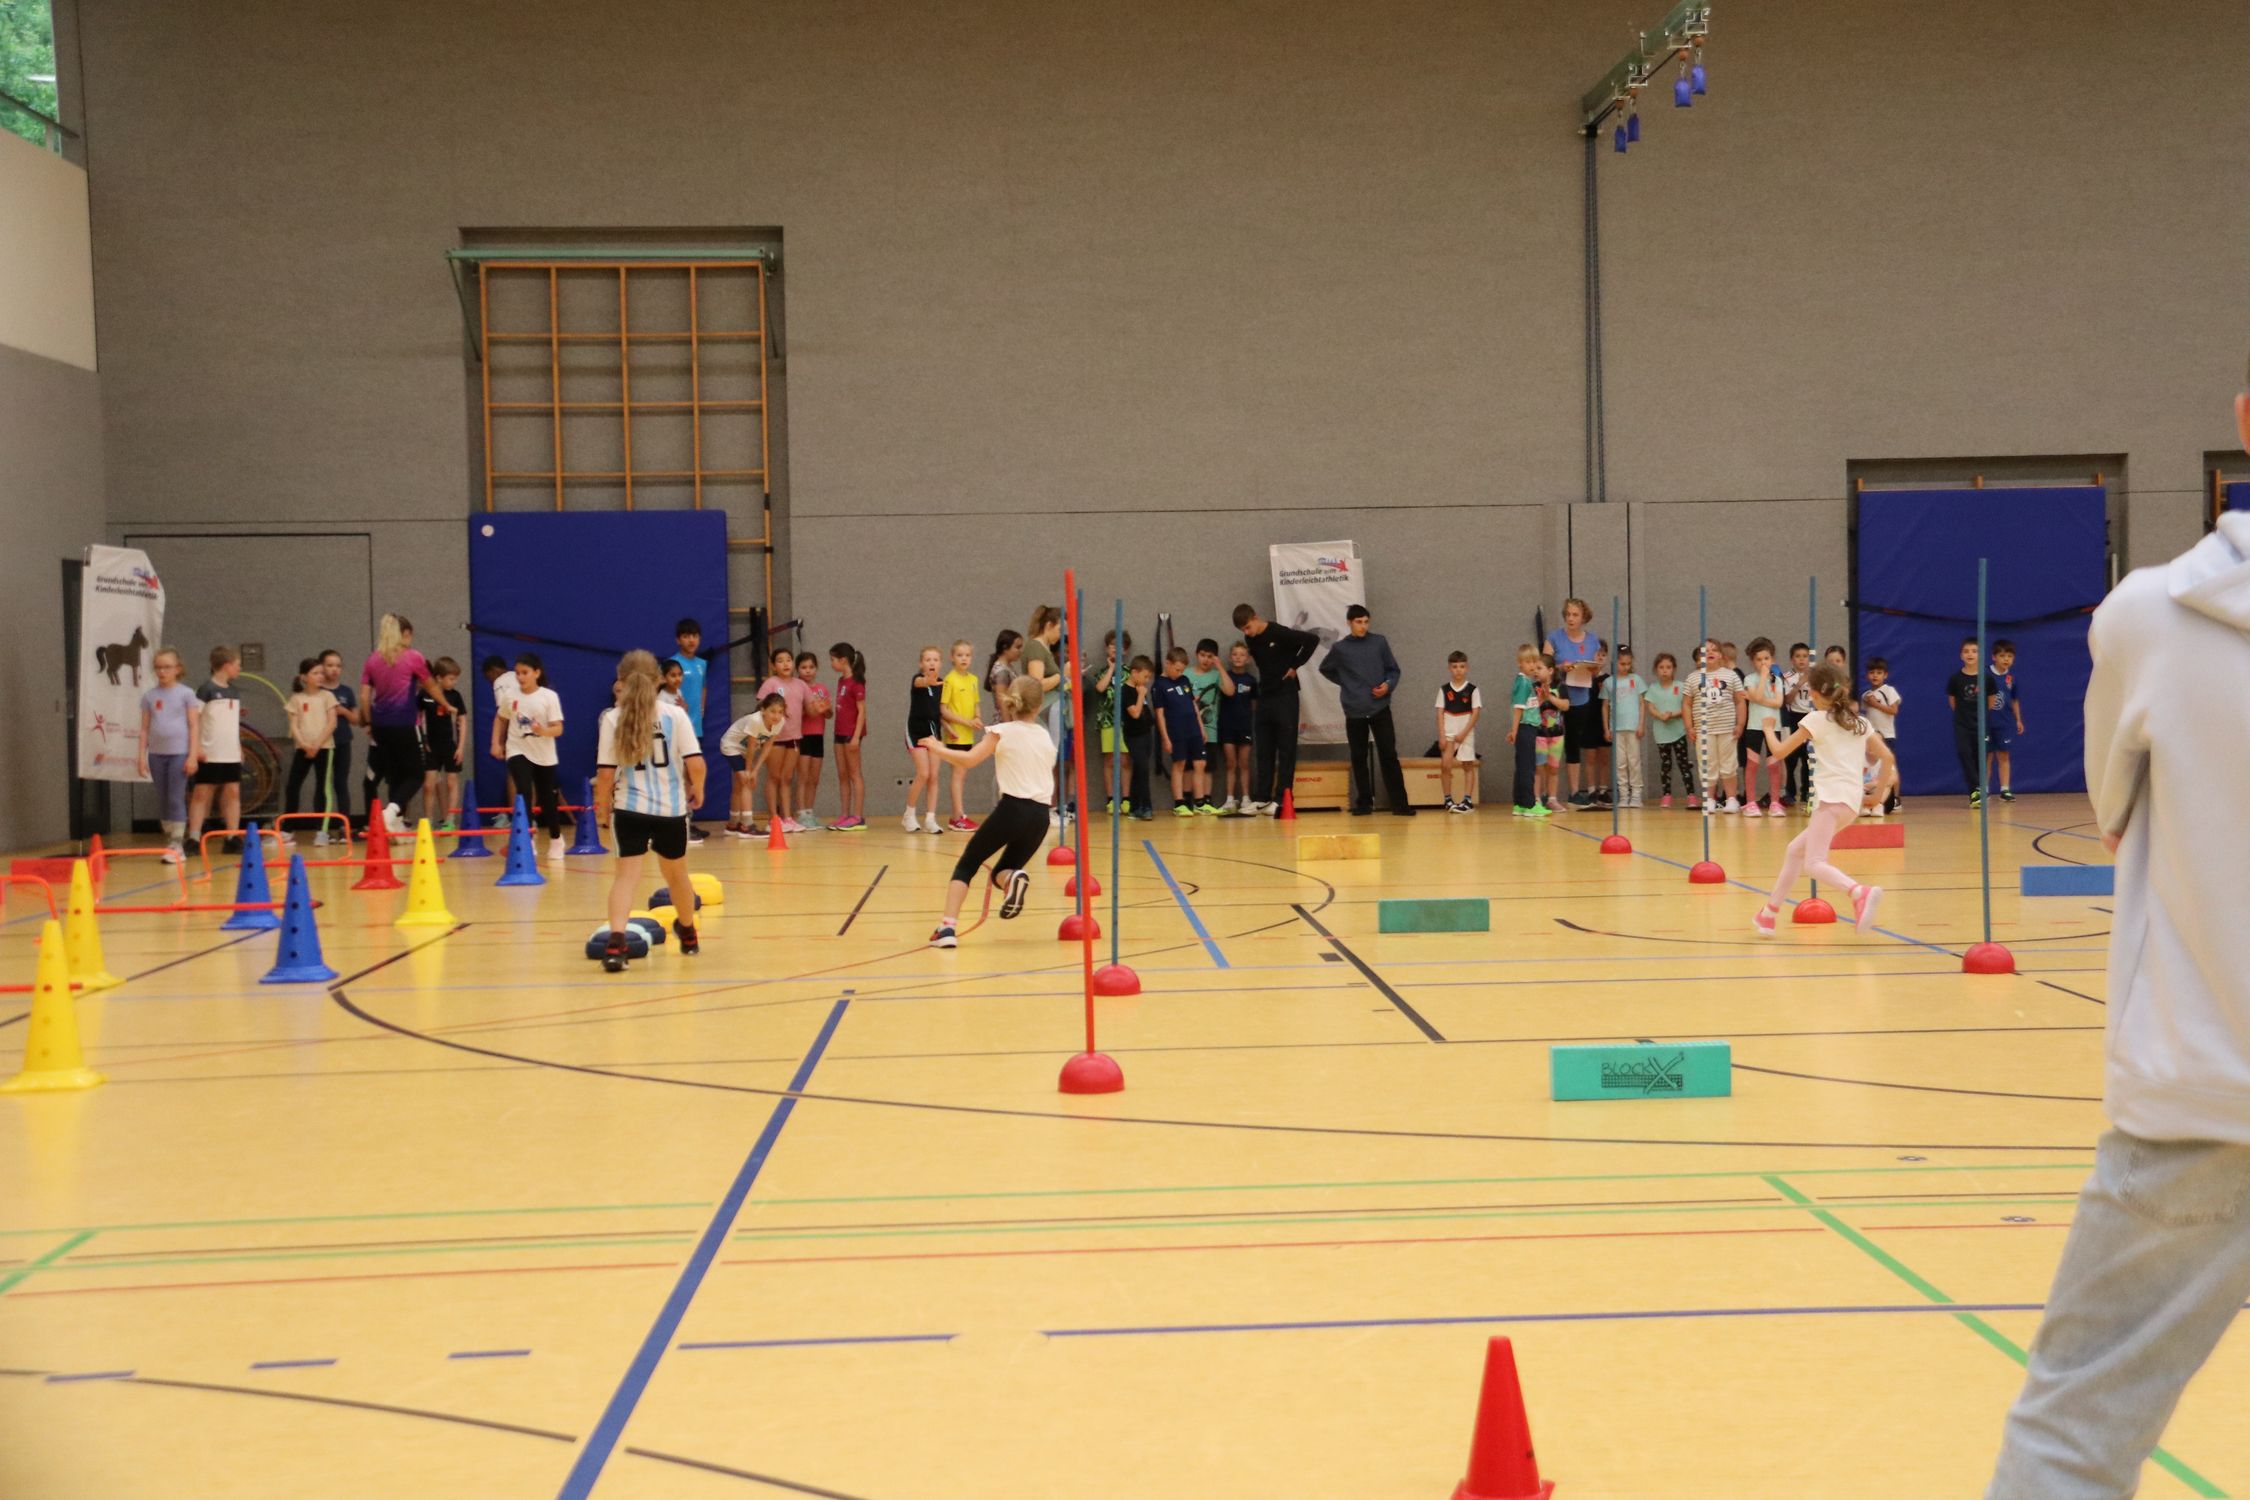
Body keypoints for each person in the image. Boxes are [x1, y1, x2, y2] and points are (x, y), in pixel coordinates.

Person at [1980, 448, 2250, 1497]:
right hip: (2195, 1100)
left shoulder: (2150, 615)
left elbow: (2111, 809)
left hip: (2201, 1090)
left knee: (2075, 1433)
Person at [1749, 662, 1895, 937]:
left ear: (1814, 694)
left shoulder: (1815, 719)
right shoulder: (1860, 722)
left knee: (1814, 862)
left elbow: (1779, 752)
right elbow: (1887, 757)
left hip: (1830, 801)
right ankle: (1769, 913)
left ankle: (1858, 892)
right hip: (1850, 803)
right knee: (1795, 850)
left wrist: (1767, 729)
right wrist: (1876, 796)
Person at [922, 675, 1056, 949]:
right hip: (1041, 816)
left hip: (1013, 809)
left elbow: (969, 759)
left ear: (1011, 701)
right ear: (1038, 705)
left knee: (967, 864)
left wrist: (938, 748)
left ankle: (947, 928)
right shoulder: (1045, 736)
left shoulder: (1001, 731)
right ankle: (1012, 878)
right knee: (1003, 871)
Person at [594, 650, 704, 973]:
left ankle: (616, 944)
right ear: (658, 680)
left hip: (629, 809)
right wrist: (698, 789)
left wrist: (602, 809)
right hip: (670, 810)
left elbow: (605, 774)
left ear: (621, 681)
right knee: (677, 876)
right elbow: (696, 762)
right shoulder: (675, 715)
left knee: (625, 878)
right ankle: (688, 934)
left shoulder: (613, 718)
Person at [1320, 603, 1414, 817]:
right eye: (1358, 622)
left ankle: (1400, 803)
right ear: (1349, 623)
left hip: (1380, 707)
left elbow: (1393, 670)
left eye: (1366, 622)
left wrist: (1388, 685)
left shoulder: (1379, 642)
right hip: (1355, 710)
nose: (1363, 626)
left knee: (1388, 754)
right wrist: (1347, 683)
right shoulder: (1340, 648)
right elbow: (1326, 669)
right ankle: (1364, 802)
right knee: (1359, 756)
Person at [359, 613, 446, 835]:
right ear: (405, 634)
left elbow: (364, 696)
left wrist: (368, 722)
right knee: (416, 774)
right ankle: (390, 812)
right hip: (404, 723)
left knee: (396, 774)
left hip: (380, 726)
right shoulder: (412, 657)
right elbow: (431, 686)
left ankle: (395, 822)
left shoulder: (373, 659)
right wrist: (448, 705)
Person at [1233, 603, 1320, 816]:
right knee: (1264, 748)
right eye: (1243, 630)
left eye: (1248, 627)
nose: (1247, 633)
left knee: (1286, 748)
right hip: (1266, 695)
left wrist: (1294, 665)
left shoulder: (1278, 632)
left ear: (1256, 617)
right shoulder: (1250, 639)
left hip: (1285, 694)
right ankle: (1262, 798)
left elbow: (1312, 640)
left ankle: (1282, 798)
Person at [492, 652, 566, 858]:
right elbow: (500, 719)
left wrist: (543, 731)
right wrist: (496, 743)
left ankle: (556, 838)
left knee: (547, 797)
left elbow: (558, 728)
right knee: (523, 789)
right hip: (517, 748)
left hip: (544, 753)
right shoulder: (510, 695)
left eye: (525, 673)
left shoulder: (549, 697)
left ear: (536, 673)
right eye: (517, 673)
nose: (520, 677)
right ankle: (528, 838)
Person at [137, 647, 199, 863]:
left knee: (175, 796)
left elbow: (194, 725)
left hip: (179, 753)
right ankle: (170, 839)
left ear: (177, 669)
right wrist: (141, 756)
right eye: (158, 668)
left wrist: (192, 755)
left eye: (167, 667)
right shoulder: (149, 696)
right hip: (156, 754)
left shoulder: (186, 694)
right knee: (163, 797)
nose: (162, 672)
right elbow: (144, 728)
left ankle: (177, 843)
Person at [1546, 598, 1609, 808]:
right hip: (1556, 697)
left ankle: (1574, 792)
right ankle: (1547, 794)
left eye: (1575, 615)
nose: (1570, 618)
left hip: (1580, 697)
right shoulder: (1554, 638)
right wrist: (1560, 667)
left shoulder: (1592, 641)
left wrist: (1594, 668)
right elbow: (1543, 665)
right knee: (1549, 743)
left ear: (1583, 618)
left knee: (1573, 744)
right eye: (1568, 614)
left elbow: (1597, 668)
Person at [189, 645, 245, 854]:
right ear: (227, 665)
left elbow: (233, 724)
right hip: (209, 752)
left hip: (230, 753)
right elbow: (194, 720)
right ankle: (194, 837)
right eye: (238, 665)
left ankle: (232, 837)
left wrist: (238, 747)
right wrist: (196, 747)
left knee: (233, 792)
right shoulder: (206, 690)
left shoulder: (235, 692)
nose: (239, 669)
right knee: (202, 793)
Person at [282, 657, 341, 844]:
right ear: (304, 677)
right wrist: (304, 744)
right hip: (303, 749)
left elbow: (332, 723)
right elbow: (294, 726)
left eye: (321, 673)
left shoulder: (327, 697)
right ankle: (287, 830)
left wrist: (316, 744)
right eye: (315, 673)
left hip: (324, 748)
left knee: (322, 788)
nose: (320, 676)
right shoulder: (296, 699)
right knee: (292, 786)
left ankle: (322, 831)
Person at [1684, 639, 1744, 813]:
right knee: (1707, 765)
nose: (1709, 652)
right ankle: (1709, 799)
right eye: (1705, 650)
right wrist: (1689, 726)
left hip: (1727, 729)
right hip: (1704, 731)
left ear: (1721, 655)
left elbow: (1740, 701)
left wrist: (1740, 723)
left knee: (1728, 765)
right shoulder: (1693, 678)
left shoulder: (1731, 675)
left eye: (1714, 650)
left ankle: (1731, 799)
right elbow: (1686, 704)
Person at [1946, 636, 2005, 804]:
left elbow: (1991, 701)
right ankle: (1975, 790)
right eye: (1966, 651)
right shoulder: (1955, 679)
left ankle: (1979, 790)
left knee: (1981, 756)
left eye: (1974, 651)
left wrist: (1980, 716)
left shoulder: (1987, 679)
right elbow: (1953, 702)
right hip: (1962, 724)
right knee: (1964, 753)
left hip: (1981, 724)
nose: (1970, 654)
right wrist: (1964, 715)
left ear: (1980, 655)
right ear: (1961, 655)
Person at [719, 692, 787, 836]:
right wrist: (749, 771)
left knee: (739, 786)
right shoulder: (756, 721)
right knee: (746, 783)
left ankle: (732, 824)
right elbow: (751, 748)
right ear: (763, 710)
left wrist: (755, 770)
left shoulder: (780, 722)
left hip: (743, 751)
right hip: (731, 746)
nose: (776, 716)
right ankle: (747, 825)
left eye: (780, 712)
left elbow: (767, 747)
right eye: (772, 711)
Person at [755, 646, 806, 833]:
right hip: (774, 738)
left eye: (788, 660)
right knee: (774, 776)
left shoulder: (800, 685)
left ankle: (788, 818)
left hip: (794, 737)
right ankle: (773, 818)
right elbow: (760, 708)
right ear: (773, 665)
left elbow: (811, 707)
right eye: (780, 661)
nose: (785, 664)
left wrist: (824, 709)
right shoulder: (771, 683)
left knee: (787, 777)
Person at [1154, 647, 1207, 818]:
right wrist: (1165, 738)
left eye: (1182, 670)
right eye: (1177, 669)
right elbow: (1160, 714)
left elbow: (1193, 705)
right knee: (1180, 764)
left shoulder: (1184, 680)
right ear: (1167, 663)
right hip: (1176, 731)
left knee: (1200, 763)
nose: (1179, 673)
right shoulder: (1159, 685)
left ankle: (1200, 803)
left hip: (1193, 728)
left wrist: (1201, 727)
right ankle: (1179, 803)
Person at [418, 657, 468, 831]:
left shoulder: (455, 696)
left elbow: (462, 721)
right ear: (438, 678)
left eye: (456, 679)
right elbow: (417, 719)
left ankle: (450, 820)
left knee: (451, 782)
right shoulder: (425, 695)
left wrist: (460, 747)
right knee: (428, 785)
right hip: (431, 746)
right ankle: (428, 821)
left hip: (449, 745)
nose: (454, 682)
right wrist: (423, 740)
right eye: (451, 679)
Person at [939, 638, 983, 831]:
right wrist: (966, 722)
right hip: (956, 735)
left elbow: (976, 703)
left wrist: (977, 718)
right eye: (959, 655)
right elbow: (944, 710)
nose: (964, 659)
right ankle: (958, 817)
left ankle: (956, 816)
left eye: (967, 655)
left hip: (968, 735)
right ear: (952, 657)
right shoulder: (950, 680)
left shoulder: (973, 680)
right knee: (958, 775)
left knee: (962, 775)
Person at [1739, 638, 1786, 817]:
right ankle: (1751, 802)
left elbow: (1778, 703)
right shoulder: (1750, 679)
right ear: (1753, 661)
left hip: (1773, 727)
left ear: (1772, 659)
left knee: (1774, 765)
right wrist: (1763, 679)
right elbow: (1758, 695)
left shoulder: (1778, 680)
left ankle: (1775, 802)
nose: (1763, 663)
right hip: (1754, 726)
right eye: (1759, 659)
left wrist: (1755, 698)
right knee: (1752, 764)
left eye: (1766, 658)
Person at [902, 645, 945, 834]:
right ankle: (909, 814)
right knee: (924, 773)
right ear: (921, 664)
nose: (932, 663)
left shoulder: (942, 684)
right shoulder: (917, 680)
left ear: (940, 663)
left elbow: (940, 711)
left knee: (934, 776)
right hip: (916, 732)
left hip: (934, 732)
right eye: (928, 660)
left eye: (935, 660)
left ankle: (930, 818)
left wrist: (950, 728)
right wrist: (928, 680)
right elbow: (922, 682)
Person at [1085, 630, 1129, 812]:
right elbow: (1100, 688)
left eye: (1120, 646)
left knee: (1125, 760)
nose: (1115, 649)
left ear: (1125, 650)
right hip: (1108, 722)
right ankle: (1111, 799)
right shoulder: (1102, 672)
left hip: (1126, 723)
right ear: (1106, 648)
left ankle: (1126, 798)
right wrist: (1111, 668)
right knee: (1110, 760)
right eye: (1112, 646)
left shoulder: (1129, 673)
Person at [320, 650, 362, 832]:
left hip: (343, 742)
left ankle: (345, 825)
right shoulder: (318, 691)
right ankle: (322, 827)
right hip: (322, 744)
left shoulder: (346, 691)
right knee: (323, 785)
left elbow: (356, 719)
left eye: (338, 666)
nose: (334, 669)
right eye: (330, 665)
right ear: (322, 667)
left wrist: (343, 711)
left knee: (341, 783)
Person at [1436, 650, 1482, 813]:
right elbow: (1439, 713)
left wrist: (1464, 733)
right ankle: (1448, 799)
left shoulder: (1473, 690)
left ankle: (1467, 800)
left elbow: (1476, 714)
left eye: (1462, 666)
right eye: (1455, 667)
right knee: (1445, 765)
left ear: (1466, 668)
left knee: (1468, 765)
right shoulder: (1443, 690)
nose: (1458, 670)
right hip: (1448, 733)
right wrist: (1442, 735)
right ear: (1449, 668)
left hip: (1466, 733)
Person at [1643, 652, 1691, 809]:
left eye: (1668, 667)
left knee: (1684, 764)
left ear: (1674, 669)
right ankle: (1666, 795)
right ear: (1656, 669)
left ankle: (1691, 795)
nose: (1665, 670)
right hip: (1662, 734)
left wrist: (1673, 714)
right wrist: (1660, 715)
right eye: (1661, 667)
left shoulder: (1681, 686)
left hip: (1679, 732)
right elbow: (1650, 707)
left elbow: (1686, 707)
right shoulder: (1653, 688)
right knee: (1666, 765)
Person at [828, 643, 868, 830]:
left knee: (854, 774)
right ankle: (844, 815)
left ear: (843, 660)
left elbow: (862, 711)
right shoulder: (841, 681)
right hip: (839, 732)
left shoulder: (856, 682)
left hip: (851, 734)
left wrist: (856, 737)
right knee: (842, 775)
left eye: (833, 660)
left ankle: (858, 816)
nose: (831, 663)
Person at [1216, 639, 1257, 815]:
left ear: (1248, 659)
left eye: (1242, 655)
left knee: (1244, 763)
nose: (1238, 657)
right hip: (1227, 726)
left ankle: (1246, 798)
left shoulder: (1251, 680)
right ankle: (1230, 798)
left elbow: (1254, 705)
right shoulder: (1224, 677)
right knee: (1231, 763)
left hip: (1244, 727)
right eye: (1235, 654)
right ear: (1230, 657)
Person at [1603, 645, 1646, 809]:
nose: (1626, 667)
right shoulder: (1609, 682)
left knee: (1634, 761)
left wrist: (1641, 724)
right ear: (1615, 662)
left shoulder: (1636, 679)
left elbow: (1642, 704)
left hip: (1633, 728)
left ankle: (1636, 795)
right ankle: (1623, 795)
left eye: (1628, 664)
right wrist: (1606, 728)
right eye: (1622, 664)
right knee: (1620, 763)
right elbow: (1605, 707)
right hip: (1616, 729)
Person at [1186, 639, 1225, 813]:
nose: (1206, 660)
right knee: (1188, 766)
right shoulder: (1186, 674)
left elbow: (1230, 690)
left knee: (1208, 767)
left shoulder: (1216, 675)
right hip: (1188, 729)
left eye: (1210, 657)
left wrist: (1220, 667)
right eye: (1203, 655)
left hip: (1210, 729)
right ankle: (1187, 800)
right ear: (1197, 654)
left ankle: (1206, 800)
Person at [793, 651, 831, 828]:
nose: (808, 671)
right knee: (803, 776)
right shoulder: (797, 688)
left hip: (818, 736)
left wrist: (825, 708)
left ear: (816, 668)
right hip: (802, 736)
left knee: (814, 778)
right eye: (803, 667)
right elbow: (795, 714)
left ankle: (809, 811)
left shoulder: (822, 689)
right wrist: (810, 709)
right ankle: (801, 813)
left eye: (811, 667)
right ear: (798, 669)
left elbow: (829, 714)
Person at [1860, 656, 1902, 816]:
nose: (1875, 676)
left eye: (1879, 673)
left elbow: (1894, 710)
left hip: (1887, 735)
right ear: (1867, 675)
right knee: (1872, 768)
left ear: (1885, 675)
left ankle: (1895, 798)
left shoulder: (1889, 691)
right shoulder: (1866, 695)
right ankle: (1870, 797)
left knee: (1890, 767)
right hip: (1872, 737)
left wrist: (1876, 704)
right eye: (1872, 673)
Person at [1120, 655, 1158, 819]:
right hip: (1134, 736)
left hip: (1146, 733)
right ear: (1134, 672)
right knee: (1142, 769)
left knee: (1140, 770)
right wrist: (1141, 695)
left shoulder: (1139, 688)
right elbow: (1135, 713)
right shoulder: (1126, 691)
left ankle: (1136, 806)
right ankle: (1145, 806)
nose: (1147, 681)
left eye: (1149, 677)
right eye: (1145, 676)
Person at [1507, 643, 1542, 817]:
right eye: (1528, 662)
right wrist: (1514, 731)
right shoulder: (1524, 683)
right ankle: (1529, 804)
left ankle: (1519, 803)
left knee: (1522, 766)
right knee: (1527, 767)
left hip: (1527, 727)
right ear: (1519, 663)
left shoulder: (1527, 682)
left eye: (1535, 661)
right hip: (1525, 727)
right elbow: (1518, 709)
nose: (1532, 665)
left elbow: (1529, 706)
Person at [1988, 639, 2026, 800]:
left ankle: (2005, 789)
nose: (2006, 659)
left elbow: (2014, 700)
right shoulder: (1985, 674)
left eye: (2009, 656)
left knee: (2004, 755)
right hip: (1986, 723)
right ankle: (1984, 789)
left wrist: (2018, 719)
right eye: (2002, 655)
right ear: (1994, 657)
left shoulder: (2011, 678)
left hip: (2004, 723)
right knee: (1986, 756)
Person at [1780, 642, 1815, 809]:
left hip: (1811, 717)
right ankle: (1790, 792)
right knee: (1791, 758)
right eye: (1798, 656)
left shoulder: (1815, 675)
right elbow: (1787, 699)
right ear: (1792, 659)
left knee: (1808, 758)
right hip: (1794, 718)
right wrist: (1800, 683)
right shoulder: (1787, 677)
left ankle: (1807, 791)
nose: (1802, 660)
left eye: (1805, 656)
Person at [1532, 654, 1568, 813]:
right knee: (1538, 768)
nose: (1536, 671)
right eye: (1534, 668)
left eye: (1539, 668)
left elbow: (1566, 705)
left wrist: (1550, 697)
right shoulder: (1533, 687)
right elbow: (1529, 709)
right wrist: (1541, 699)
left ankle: (1552, 799)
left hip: (1557, 734)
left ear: (1551, 670)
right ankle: (1536, 799)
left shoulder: (1560, 686)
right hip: (1539, 733)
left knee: (1553, 768)